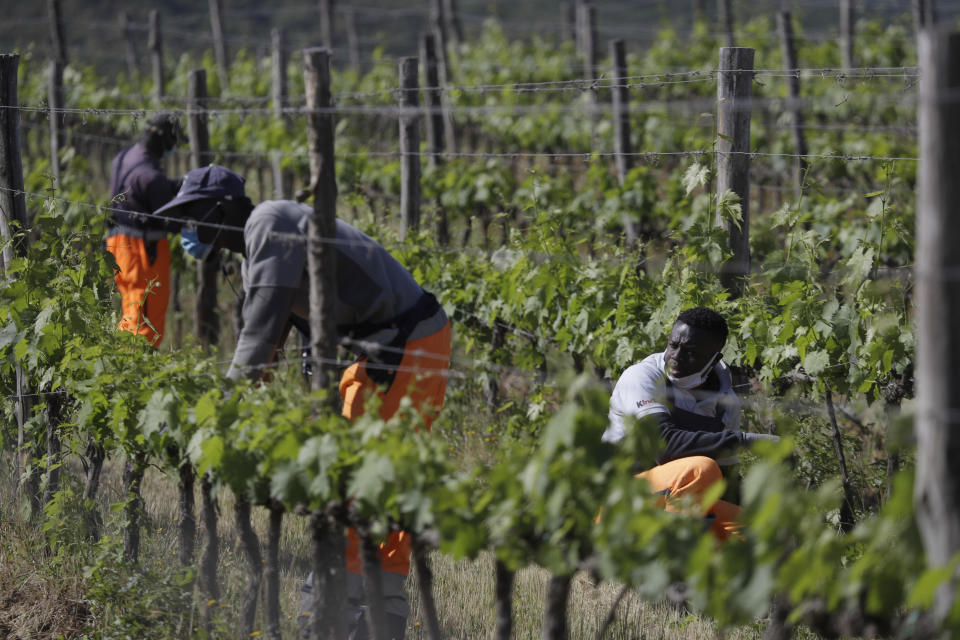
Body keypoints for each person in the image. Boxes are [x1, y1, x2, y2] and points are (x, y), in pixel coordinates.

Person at [153, 165, 451, 640]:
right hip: (392, 347)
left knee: (366, 484)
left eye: (192, 216)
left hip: (406, 345)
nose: (186, 229)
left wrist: (217, 414)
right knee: (380, 483)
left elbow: (257, 336)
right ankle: (377, 616)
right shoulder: (256, 254)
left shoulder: (269, 225)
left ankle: (339, 612)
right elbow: (268, 349)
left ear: (221, 208)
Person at [602, 306, 778, 540]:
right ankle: (673, 567)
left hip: (673, 504)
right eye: (673, 345)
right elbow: (665, 446)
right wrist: (747, 441)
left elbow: (727, 477)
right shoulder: (643, 377)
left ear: (714, 359)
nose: (676, 356)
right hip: (620, 501)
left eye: (691, 351)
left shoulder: (725, 402)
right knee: (700, 469)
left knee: (764, 532)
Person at [105, 111, 184, 347]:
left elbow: (138, 190)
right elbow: (169, 220)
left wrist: (177, 184)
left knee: (132, 309)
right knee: (146, 321)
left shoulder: (124, 158)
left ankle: (121, 369)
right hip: (143, 253)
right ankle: (137, 375)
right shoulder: (151, 177)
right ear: (165, 141)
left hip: (118, 245)